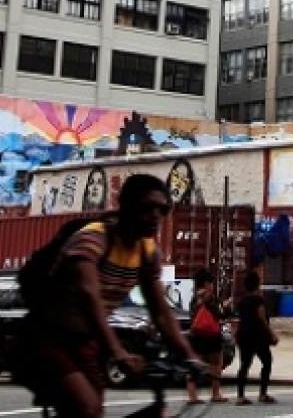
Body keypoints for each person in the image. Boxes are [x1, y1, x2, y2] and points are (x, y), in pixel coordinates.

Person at [31, 173, 199, 418]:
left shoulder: (147, 251)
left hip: (86, 344)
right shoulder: (94, 237)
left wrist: (191, 357)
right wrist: (117, 350)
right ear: (127, 206)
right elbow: (89, 294)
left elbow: (161, 312)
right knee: (87, 408)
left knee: (93, 411)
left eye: (162, 209)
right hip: (47, 338)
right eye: (148, 207)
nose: (156, 215)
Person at [234, 270, 279, 405]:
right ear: (257, 285)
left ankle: (240, 396)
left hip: (243, 335)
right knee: (267, 361)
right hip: (257, 335)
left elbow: (239, 319)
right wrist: (272, 334)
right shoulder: (258, 301)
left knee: (244, 364)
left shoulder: (242, 301)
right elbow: (262, 319)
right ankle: (263, 394)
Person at [186, 268, 229, 403]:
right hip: (211, 335)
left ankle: (192, 396)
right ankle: (215, 394)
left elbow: (192, 315)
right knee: (216, 364)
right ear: (206, 283)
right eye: (211, 283)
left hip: (196, 335)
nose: (212, 285)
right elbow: (219, 315)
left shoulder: (194, 298)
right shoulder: (210, 297)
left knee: (194, 365)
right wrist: (225, 307)